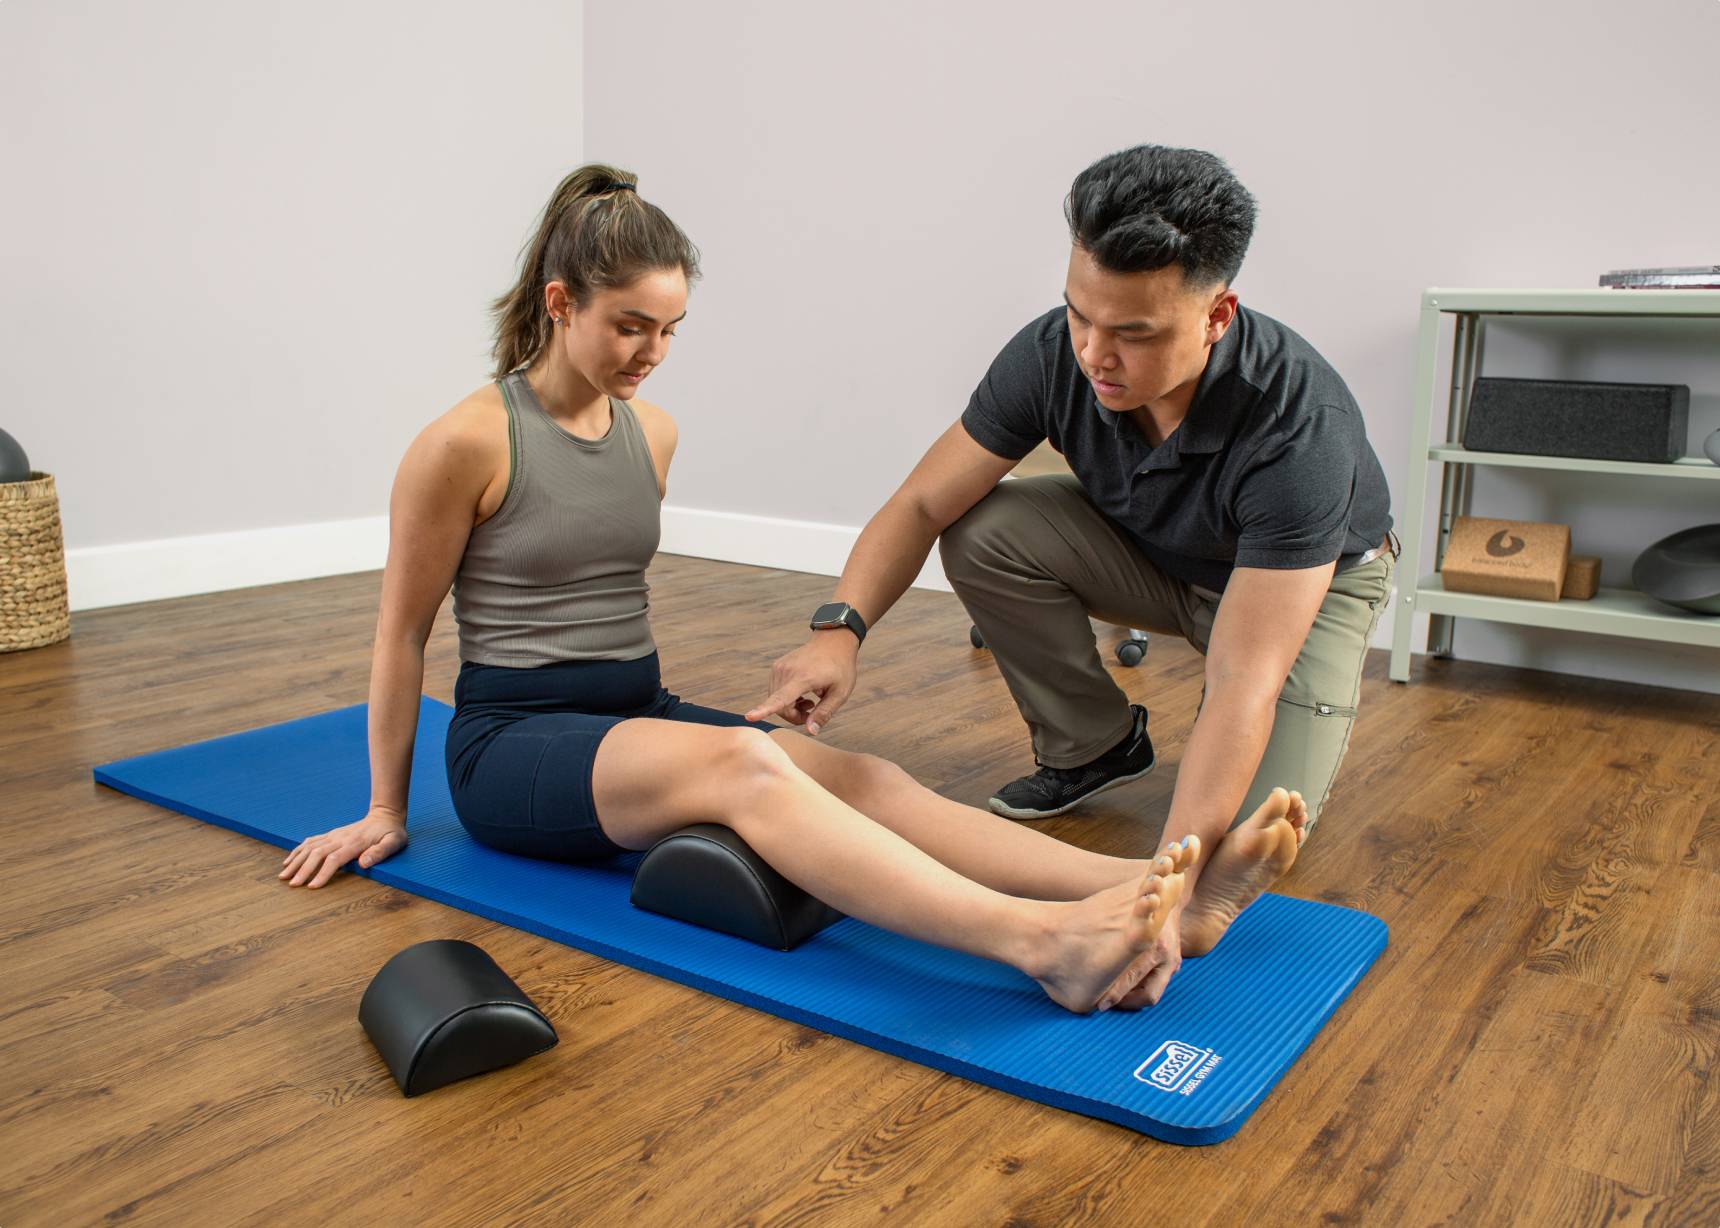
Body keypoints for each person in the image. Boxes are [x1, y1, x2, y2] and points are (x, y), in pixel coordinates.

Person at [275, 164, 1307, 1014]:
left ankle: (1152, 893)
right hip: (510, 747)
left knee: (862, 776)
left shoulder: (652, 432)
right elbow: (401, 634)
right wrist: (384, 809)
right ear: (560, 303)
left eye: (670, 329)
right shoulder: (464, 442)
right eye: (631, 326)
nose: (653, 354)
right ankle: (1044, 945)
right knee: (748, 767)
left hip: (630, 712)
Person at [750, 145, 1395, 1007]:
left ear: (1217, 315)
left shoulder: (1298, 427)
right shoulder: (1055, 352)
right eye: (1080, 315)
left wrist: (1166, 893)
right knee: (984, 526)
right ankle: (1093, 746)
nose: (1096, 353)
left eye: (1135, 333)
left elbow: (1247, 677)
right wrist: (838, 631)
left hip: (1298, 598)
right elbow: (921, 503)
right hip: (1155, 552)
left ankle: (1187, 885)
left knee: (1250, 832)